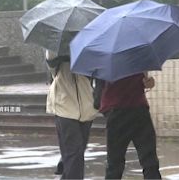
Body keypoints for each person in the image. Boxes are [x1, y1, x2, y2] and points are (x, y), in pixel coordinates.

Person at [46, 50, 99, 179]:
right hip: (64, 106)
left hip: (86, 107)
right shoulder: (56, 49)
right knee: (74, 152)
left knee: (77, 152)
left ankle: (66, 166)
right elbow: (51, 62)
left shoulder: (88, 48)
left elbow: (96, 70)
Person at [100, 72, 161, 179]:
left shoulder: (106, 60)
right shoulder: (138, 57)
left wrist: (148, 82)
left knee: (114, 164)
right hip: (138, 111)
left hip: (119, 112)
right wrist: (148, 82)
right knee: (150, 162)